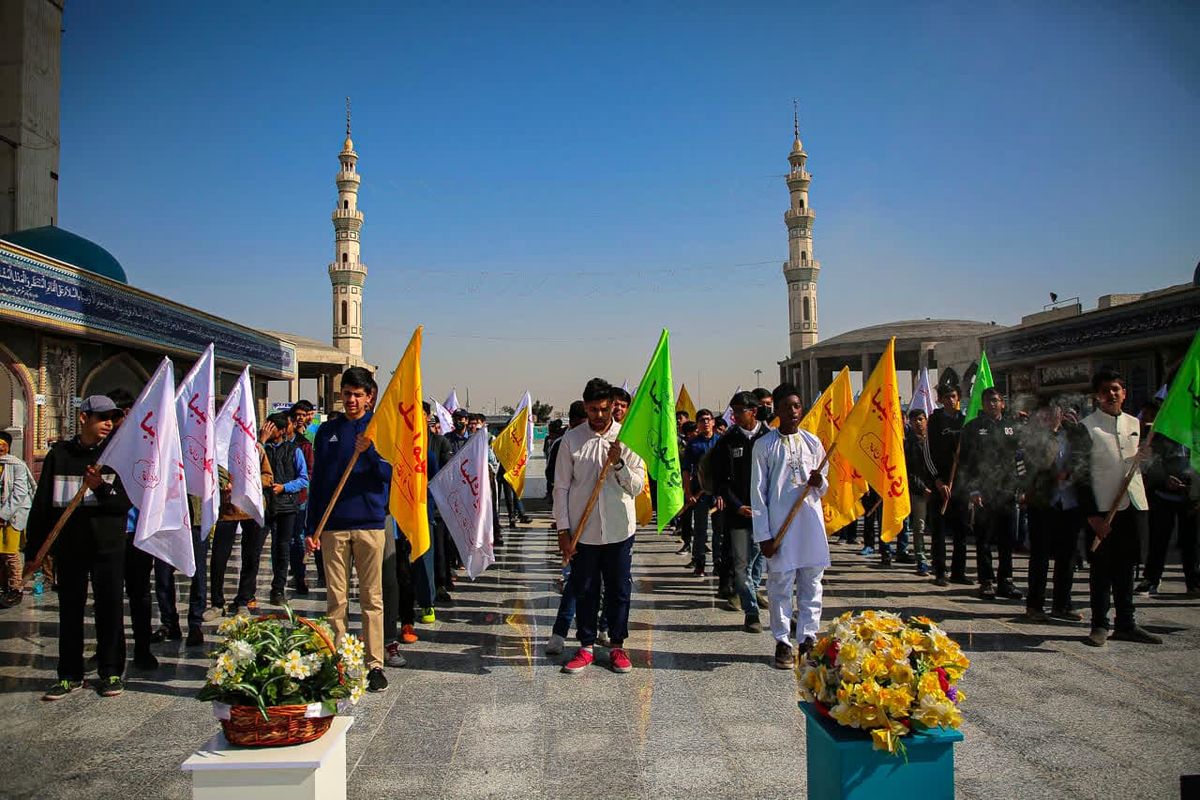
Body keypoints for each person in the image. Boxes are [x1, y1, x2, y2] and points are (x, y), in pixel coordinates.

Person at [25, 396, 132, 700]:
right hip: (70, 547)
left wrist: (101, 488)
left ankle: (111, 670)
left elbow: (123, 504)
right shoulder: (60, 455)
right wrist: (34, 551)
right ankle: (69, 674)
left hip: (107, 546)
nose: (108, 423)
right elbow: (43, 505)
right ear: (84, 418)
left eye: (112, 417)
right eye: (102, 417)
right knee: (70, 611)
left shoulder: (115, 456)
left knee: (109, 608)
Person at [305, 367, 391, 691]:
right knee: (336, 599)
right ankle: (339, 661)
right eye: (347, 393)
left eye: (358, 394)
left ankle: (375, 664)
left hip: (370, 525)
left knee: (372, 599)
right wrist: (311, 528)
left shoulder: (380, 429)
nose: (351, 400)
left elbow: (389, 476)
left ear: (370, 397)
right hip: (333, 527)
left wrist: (368, 452)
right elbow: (319, 483)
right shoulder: (326, 432)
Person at [553, 378, 645, 674]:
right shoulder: (572, 440)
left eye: (604, 409)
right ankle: (586, 645)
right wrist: (563, 532)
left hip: (619, 531)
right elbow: (561, 489)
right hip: (584, 533)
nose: (599, 416)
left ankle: (617, 645)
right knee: (585, 588)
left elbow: (637, 486)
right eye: (593, 410)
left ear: (612, 407)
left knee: (619, 589)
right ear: (585, 407)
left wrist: (619, 464)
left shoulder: (627, 438)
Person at [1079, 370, 1160, 646]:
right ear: (1097, 396)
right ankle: (1099, 624)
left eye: (1116, 389)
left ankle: (1126, 622)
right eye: (1106, 390)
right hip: (1103, 510)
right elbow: (1080, 475)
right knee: (1101, 569)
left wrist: (1144, 458)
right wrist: (1092, 516)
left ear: (1124, 393)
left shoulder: (1135, 424)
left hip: (1131, 505)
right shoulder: (1087, 427)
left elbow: (1134, 465)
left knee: (1126, 567)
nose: (1111, 394)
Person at [752, 383, 828, 670]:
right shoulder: (764, 446)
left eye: (797, 406)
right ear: (777, 411)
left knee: (811, 582)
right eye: (787, 407)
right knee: (780, 586)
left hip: (810, 525)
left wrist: (819, 483)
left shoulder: (813, 443)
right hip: (779, 528)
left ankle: (808, 637)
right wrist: (764, 535)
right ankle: (783, 641)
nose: (793, 412)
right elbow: (757, 494)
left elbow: (824, 483)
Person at [1020, 397, 1090, 622]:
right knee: (1040, 556)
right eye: (1044, 412)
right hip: (1042, 502)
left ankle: (1062, 604)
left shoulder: (1074, 434)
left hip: (1069, 502)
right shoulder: (1032, 437)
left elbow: (1086, 461)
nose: (1049, 416)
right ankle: (1035, 606)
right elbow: (1023, 467)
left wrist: (1073, 473)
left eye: (1054, 411)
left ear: (1061, 412)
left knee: (1067, 556)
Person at [710, 391, 770, 632]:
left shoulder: (769, 438)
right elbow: (720, 480)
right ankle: (751, 611)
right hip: (739, 514)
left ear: (753, 412)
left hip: (765, 514)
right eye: (732, 411)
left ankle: (753, 592)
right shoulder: (728, 440)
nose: (734, 416)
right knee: (740, 564)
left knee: (758, 560)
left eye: (738, 411)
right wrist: (737, 505)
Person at [959, 387, 1024, 600]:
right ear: (982, 404)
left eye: (996, 401)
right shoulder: (973, 428)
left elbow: (1020, 459)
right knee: (984, 539)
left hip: (1007, 491)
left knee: (1007, 540)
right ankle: (986, 581)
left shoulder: (1013, 427)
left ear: (1003, 403)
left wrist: (1022, 486)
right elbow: (967, 462)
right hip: (983, 491)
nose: (992, 404)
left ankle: (1006, 581)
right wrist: (973, 489)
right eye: (988, 401)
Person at [1136, 400, 1198, 597]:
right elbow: (1149, 464)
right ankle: (1151, 577)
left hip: (1189, 495)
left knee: (1191, 541)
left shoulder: (1193, 431)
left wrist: (1191, 485)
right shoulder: (1156, 434)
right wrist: (1164, 479)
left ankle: (1194, 581)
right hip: (1163, 496)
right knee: (1158, 538)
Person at [209, 445, 273, 615]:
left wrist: (250, 481)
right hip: (227, 510)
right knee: (219, 558)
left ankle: (243, 600)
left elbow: (268, 477)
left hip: (251, 510)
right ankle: (217, 602)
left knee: (251, 556)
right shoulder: (219, 445)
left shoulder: (255, 448)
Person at [259, 412, 309, 606]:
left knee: (283, 546)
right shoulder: (261, 448)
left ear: (280, 431)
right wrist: (261, 442)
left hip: (287, 505)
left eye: (271, 428)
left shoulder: (293, 450)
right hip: (264, 505)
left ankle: (278, 588)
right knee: (255, 548)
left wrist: (285, 487)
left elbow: (303, 478)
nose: (267, 430)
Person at [928, 383, 971, 587]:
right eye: (946, 397)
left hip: (960, 483)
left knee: (961, 530)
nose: (950, 400)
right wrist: (937, 480)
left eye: (953, 396)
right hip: (940, 483)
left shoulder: (965, 421)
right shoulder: (934, 421)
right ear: (940, 399)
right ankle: (940, 571)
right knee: (939, 531)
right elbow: (927, 454)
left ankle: (958, 571)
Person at [682, 409, 720, 578]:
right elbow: (686, 471)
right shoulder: (693, 444)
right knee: (700, 530)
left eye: (708, 419)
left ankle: (719, 563)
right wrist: (688, 491)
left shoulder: (721, 442)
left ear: (713, 422)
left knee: (719, 531)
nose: (705, 423)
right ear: (697, 424)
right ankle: (699, 563)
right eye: (702, 420)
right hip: (699, 493)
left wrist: (723, 494)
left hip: (718, 493)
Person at [0, 431, 34, 607]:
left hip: (13, 515)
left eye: (2, 445)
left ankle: (16, 588)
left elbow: (19, 492)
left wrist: (3, 514)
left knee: (10, 552)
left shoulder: (16, 465)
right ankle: (3, 586)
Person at [288, 401, 318, 593]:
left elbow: (309, 471)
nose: (300, 418)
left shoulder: (308, 440)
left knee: (298, 537)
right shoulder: (281, 440)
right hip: (279, 500)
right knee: (282, 541)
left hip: (300, 497)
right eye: (296, 415)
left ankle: (300, 575)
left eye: (303, 414)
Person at [903, 408, 935, 577]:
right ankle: (921, 559)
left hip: (935, 489)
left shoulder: (933, 441)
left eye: (921, 419)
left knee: (937, 526)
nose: (918, 422)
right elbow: (908, 471)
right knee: (919, 526)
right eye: (915, 420)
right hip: (918, 491)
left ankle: (937, 559)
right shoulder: (908, 444)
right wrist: (923, 488)